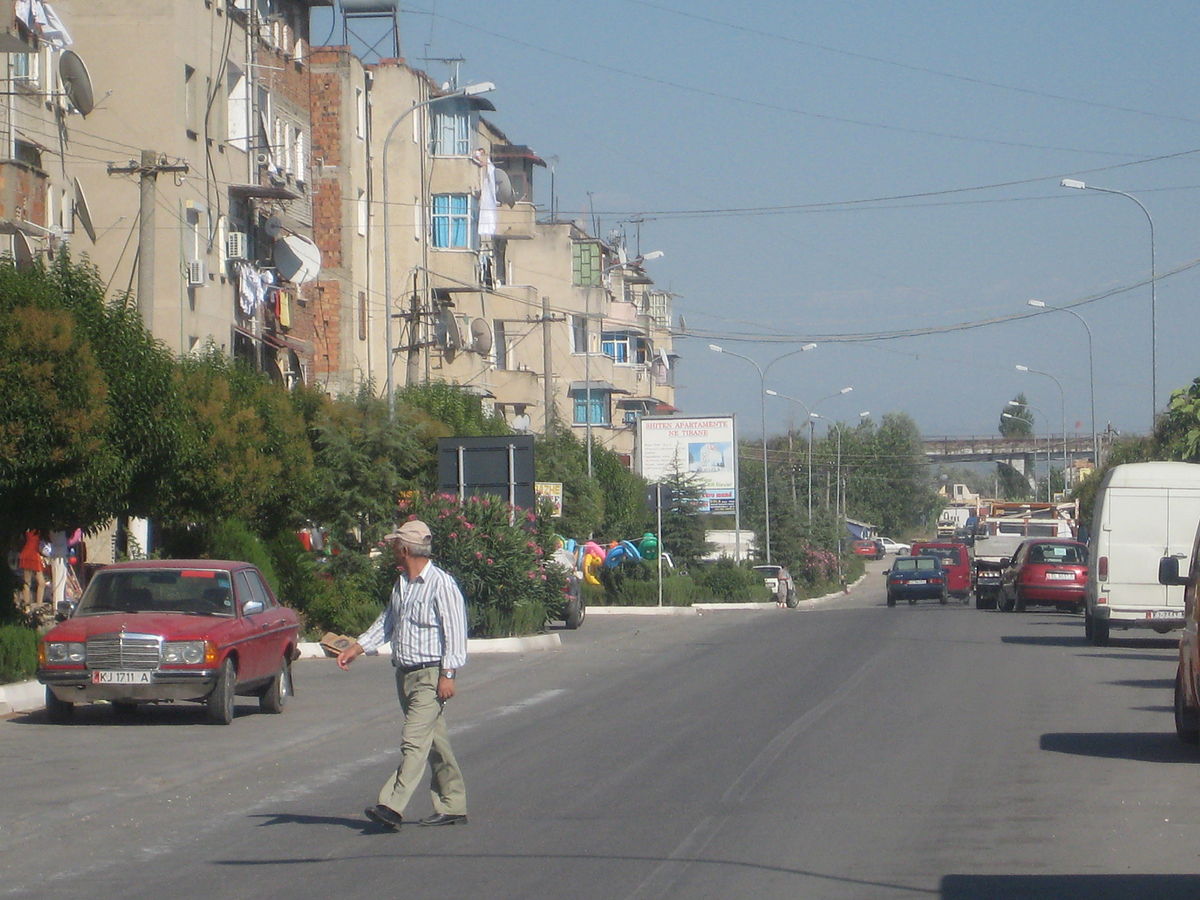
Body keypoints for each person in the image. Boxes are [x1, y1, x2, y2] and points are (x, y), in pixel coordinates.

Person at [337, 519, 469, 831]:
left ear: (406, 548)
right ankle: (453, 804)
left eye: (395, 544)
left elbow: (455, 632)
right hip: (405, 675)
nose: (392, 549)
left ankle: (392, 806)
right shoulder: (403, 584)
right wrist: (357, 647)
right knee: (434, 743)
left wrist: (448, 674)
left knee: (413, 742)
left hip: (430, 675)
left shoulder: (441, 584)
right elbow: (389, 621)